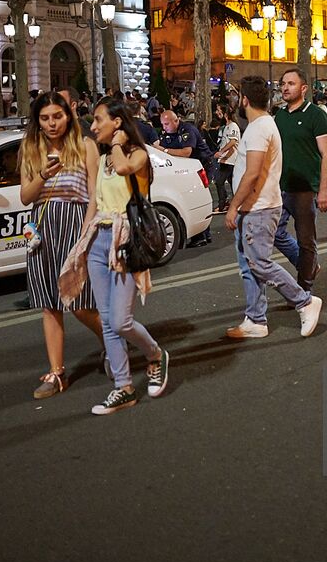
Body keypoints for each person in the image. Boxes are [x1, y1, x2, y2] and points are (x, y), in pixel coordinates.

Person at [17, 93, 106, 399]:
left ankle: (111, 343)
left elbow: (95, 192)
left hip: (76, 221)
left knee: (80, 303)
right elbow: (25, 197)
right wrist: (43, 174)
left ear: (68, 115)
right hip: (42, 227)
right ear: (37, 121)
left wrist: (86, 231)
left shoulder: (85, 145)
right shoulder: (30, 148)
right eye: (45, 118)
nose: (52, 123)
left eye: (57, 116)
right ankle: (56, 373)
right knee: (50, 303)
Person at [85, 96, 170, 414]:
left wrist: (119, 143)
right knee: (107, 320)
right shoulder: (105, 158)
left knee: (120, 320)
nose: (93, 127)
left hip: (126, 240)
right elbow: (95, 203)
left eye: (98, 120)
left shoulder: (136, 154)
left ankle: (155, 354)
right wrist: (83, 242)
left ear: (117, 123)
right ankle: (123, 388)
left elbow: (123, 169)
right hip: (99, 241)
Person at [225, 76, 325, 338]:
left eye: (238, 97)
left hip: (258, 207)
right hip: (255, 206)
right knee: (249, 265)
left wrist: (234, 206)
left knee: (259, 263)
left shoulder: (259, 128)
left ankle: (304, 301)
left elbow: (253, 173)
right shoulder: (264, 123)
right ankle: (256, 319)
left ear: (245, 100)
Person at [273, 68, 327, 293]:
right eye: (283, 84)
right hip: (281, 187)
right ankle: (306, 266)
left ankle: (303, 290)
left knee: (306, 240)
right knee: (274, 232)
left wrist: (324, 190)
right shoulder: (279, 116)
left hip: (306, 188)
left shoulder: (315, 115)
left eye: (291, 83)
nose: (285, 88)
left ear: (303, 88)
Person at [155, 107, 216, 245]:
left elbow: (186, 152)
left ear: (176, 121)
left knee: (197, 196)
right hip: (189, 168)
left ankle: (201, 236)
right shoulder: (168, 133)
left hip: (203, 163)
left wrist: (163, 150)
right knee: (193, 197)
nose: (164, 128)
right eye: (163, 124)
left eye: (166, 124)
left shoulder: (187, 130)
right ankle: (204, 234)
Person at [211, 104, 241, 210]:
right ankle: (234, 203)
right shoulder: (226, 127)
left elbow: (233, 142)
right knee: (232, 183)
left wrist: (222, 152)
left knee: (219, 182)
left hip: (230, 160)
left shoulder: (233, 126)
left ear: (225, 114)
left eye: (219, 110)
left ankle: (222, 204)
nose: (216, 112)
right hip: (225, 160)